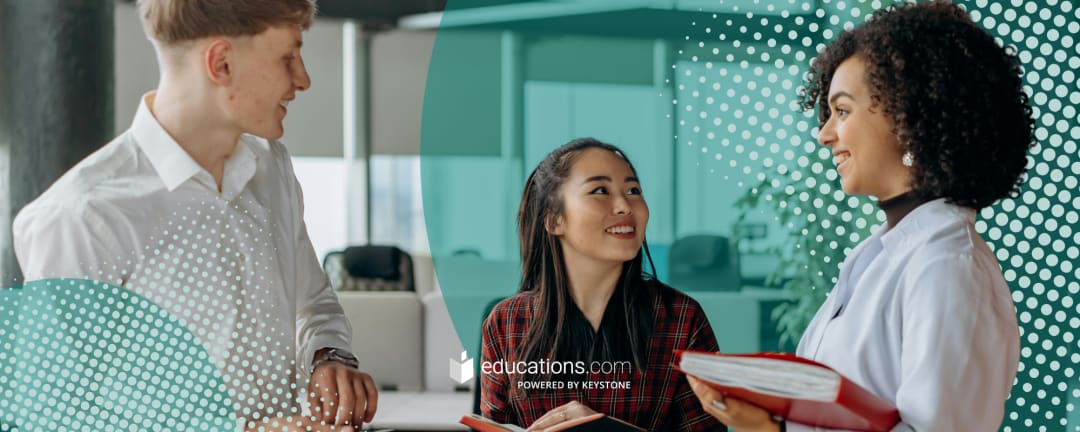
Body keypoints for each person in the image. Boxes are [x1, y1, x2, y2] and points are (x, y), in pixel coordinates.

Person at [12, 0, 378, 429]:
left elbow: (312, 306)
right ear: (220, 63)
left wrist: (327, 357)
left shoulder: (271, 168)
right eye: (288, 56)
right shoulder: (83, 215)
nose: (303, 79)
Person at [687, 1, 1033, 431]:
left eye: (842, 111)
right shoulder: (881, 255)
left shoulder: (947, 267)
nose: (824, 133)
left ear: (908, 118)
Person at [480, 138, 724, 431]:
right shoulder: (505, 324)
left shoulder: (682, 320)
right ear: (554, 219)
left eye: (633, 190)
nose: (625, 206)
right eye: (600, 191)